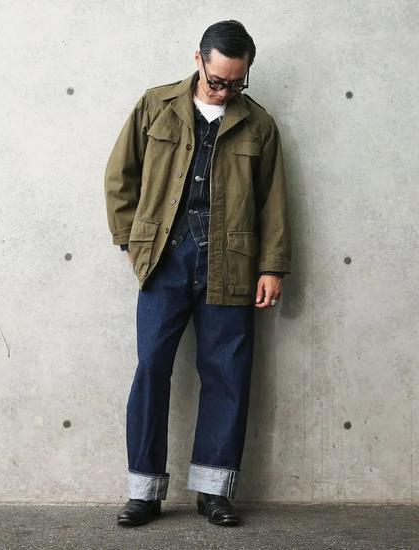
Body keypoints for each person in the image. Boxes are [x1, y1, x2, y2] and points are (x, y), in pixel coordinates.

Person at [104, 19, 292, 527]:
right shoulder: (155, 106)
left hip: (231, 262)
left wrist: (272, 266)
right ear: (198, 60)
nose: (225, 91)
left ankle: (214, 490)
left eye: (237, 83)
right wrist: (131, 240)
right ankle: (144, 492)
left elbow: (274, 201)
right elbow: (120, 175)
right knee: (151, 370)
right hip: (165, 259)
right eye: (217, 81)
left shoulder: (259, 125)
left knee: (227, 373)